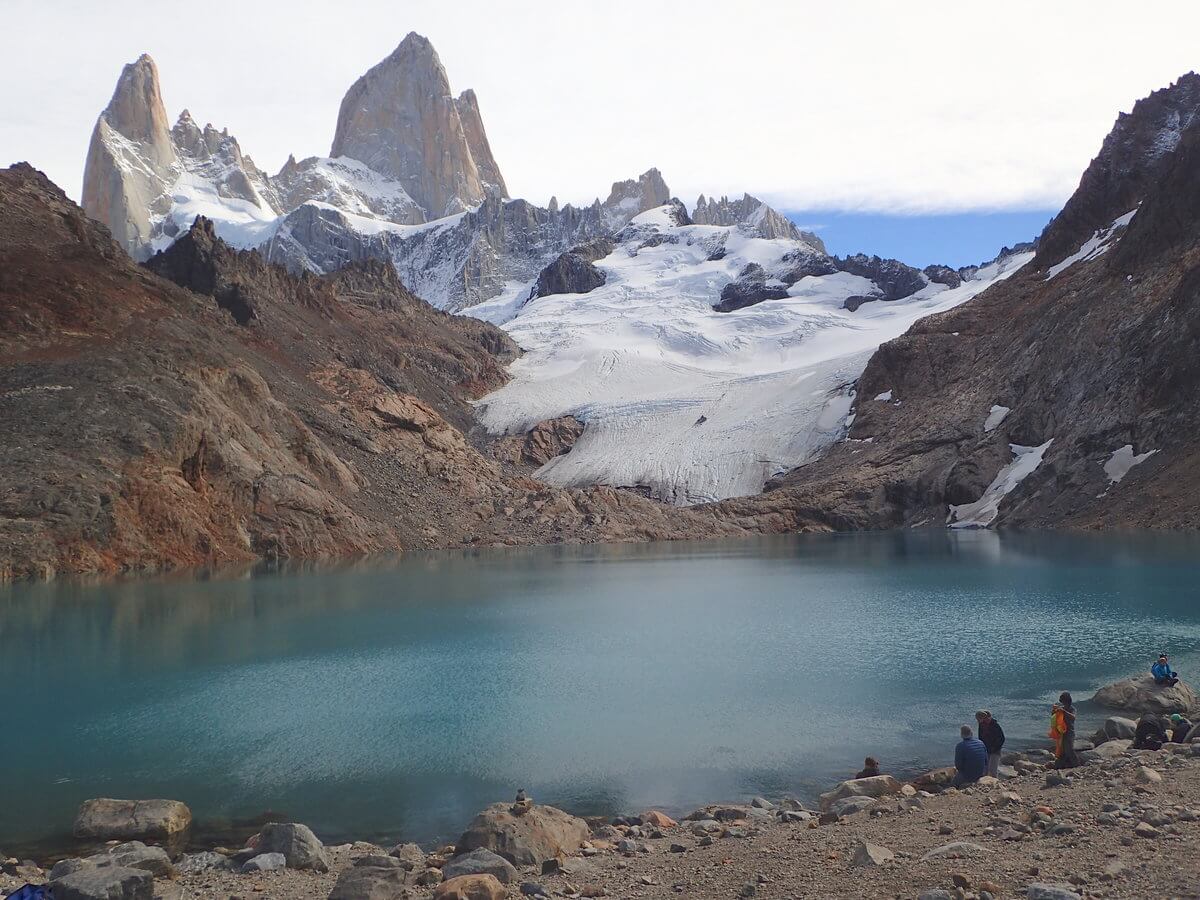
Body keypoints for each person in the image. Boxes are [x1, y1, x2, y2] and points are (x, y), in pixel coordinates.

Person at [1051, 692, 1079, 769]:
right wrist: (1054, 711)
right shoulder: (1062, 708)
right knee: (1062, 750)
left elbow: (1073, 717)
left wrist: (1063, 711)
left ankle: (1076, 764)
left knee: (1069, 749)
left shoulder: (1072, 709)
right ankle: (1061, 765)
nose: (1063, 703)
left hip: (1070, 732)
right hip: (1062, 733)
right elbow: (1054, 718)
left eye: (1063, 701)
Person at [975, 709, 1005, 778]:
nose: (978, 721)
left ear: (983, 718)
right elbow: (980, 737)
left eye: (979, 719)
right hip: (986, 749)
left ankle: (995, 783)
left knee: (993, 769)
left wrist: (995, 748)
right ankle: (983, 782)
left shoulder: (995, 725)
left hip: (995, 749)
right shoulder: (981, 725)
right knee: (985, 768)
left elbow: (1002, 738)